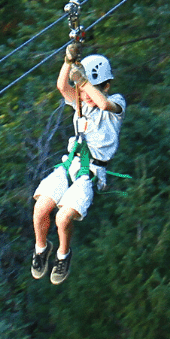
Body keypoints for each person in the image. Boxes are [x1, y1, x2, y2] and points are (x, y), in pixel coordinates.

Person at [30, 45, 126, 285]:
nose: (83, 98)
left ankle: (63, 255)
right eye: (81, 93)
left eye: (88, 91)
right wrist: (68, 60)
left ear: (105, 86)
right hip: (69, 164)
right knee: (41, 208)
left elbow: (103, 104)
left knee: (63, 219)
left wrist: (83, 82)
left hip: (90, 172)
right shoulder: (80, 102)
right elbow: (63, 87)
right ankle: (42, 248)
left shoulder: (115, 104)